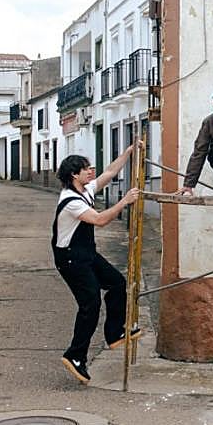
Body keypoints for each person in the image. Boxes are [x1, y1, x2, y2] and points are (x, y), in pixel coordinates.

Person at [53, 141, 144, 385]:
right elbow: (100, 220)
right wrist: (124, 201)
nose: (91, 171)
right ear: (75, 174)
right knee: (90, 304)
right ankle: (75, 355)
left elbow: (110, 172)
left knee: (117, 283)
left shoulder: (86, 190)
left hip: (86, 253)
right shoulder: (71, 200)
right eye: (86, 169)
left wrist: (128, 152)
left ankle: (114, 332)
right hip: (70, 259)